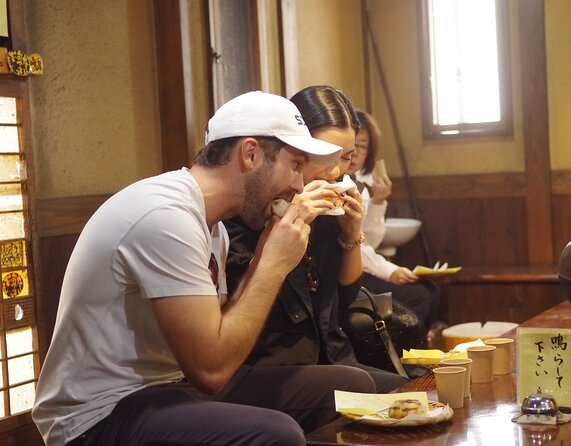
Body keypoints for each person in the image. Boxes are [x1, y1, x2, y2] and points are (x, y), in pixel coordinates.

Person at [31, 91, 377, 446]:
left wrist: (261, 257)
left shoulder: (213, 228)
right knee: (277, 434)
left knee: (350, 389)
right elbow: (211, 371)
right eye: (294, 165)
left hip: (170, 389)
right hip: (97, 416)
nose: (299, 185)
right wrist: (274, 264)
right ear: (251, 154)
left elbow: (220, 335)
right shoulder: (165, 216)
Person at [225, 86, 408, 393]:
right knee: (369, 390)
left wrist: (351, 234)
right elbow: (241, 314)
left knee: (414, 394)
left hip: (333, 357)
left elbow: (345, 301)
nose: (335, 171)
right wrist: (287, 226)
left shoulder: (328, 209)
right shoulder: (247, 215)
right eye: (324, 155)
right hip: (273, 367)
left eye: (347, 158)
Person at [348, 109, 442, 336]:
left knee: (431, 289)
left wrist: (379, 201)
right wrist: (389, 271)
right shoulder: (336, 185)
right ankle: (404, 356)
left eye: (362, 146)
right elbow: (353, 245)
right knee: (419, 295)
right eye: (350, 144)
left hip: (360, 265)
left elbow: (367, 239)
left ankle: (415, 352)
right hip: (347, 274)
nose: (354, 153)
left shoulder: (360, 187)